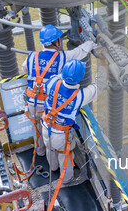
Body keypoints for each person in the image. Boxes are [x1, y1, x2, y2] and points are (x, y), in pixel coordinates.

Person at [22, 24, 95, 156]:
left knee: (36, 128)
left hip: (32, 102)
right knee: (48, 128)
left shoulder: (32, 56)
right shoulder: (62, 57)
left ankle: (40, 152)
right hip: (47, 106)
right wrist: (92, 42)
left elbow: (25, 69)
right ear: (56, 42)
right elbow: (81, 51)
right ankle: (53, 159)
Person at [41, 60, 97, 184]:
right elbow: (96, 88)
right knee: (64, 154)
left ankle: (53, 168)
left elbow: (57, 78)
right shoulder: (79, 97)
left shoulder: (53, 82)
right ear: (80, 78)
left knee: (50, 149)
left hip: (46, 126)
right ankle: (67, 179)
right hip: (61, 134)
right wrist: (103, 68)